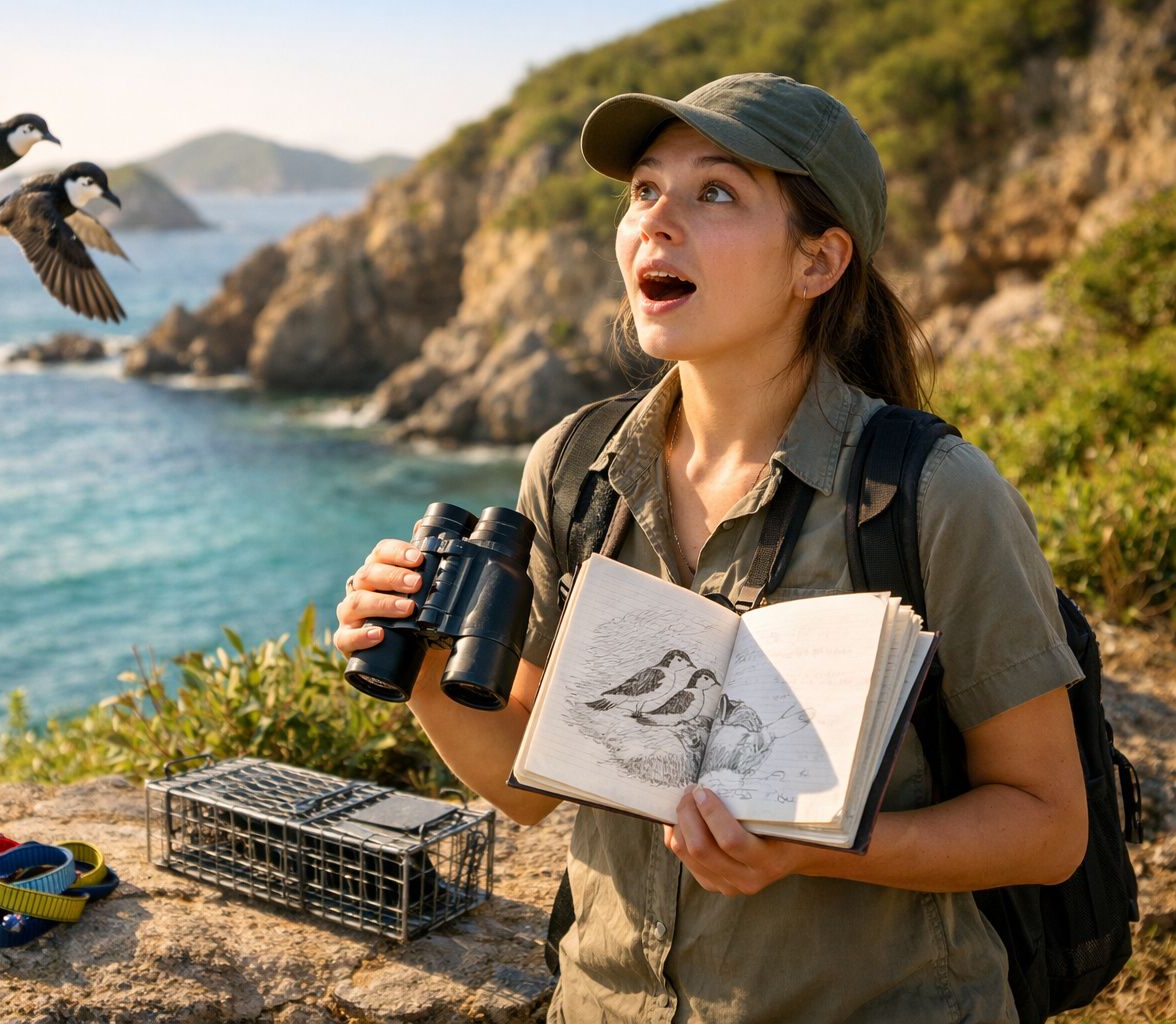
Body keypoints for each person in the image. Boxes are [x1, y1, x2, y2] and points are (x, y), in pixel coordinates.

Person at [334, 72, 1087, 1022]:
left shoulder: (933, 495)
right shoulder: (571, 471)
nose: (657, 220)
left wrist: (818, 846)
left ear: (817, 262)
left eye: (715, 192)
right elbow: (525, 784)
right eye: (645, 190)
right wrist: (419, 668)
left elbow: (1047, 826)